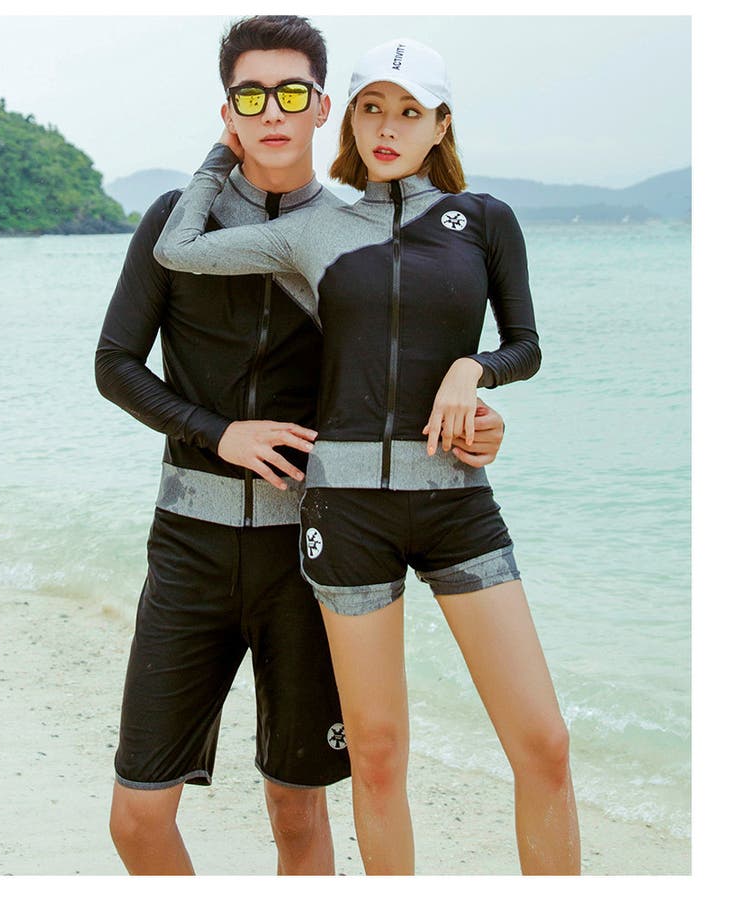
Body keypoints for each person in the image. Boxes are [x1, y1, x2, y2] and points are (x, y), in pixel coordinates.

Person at [153, 37, 580, 875]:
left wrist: (474, 369)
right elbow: (180, 248)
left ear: (440, 125)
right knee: (377, 758)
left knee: (545, 744)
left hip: (457, 502)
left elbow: (525, 344)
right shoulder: (313, 230)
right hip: (346, 516)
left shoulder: (483, 220)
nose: (388, 128)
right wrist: (223, 151)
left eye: (410, 111)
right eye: (373, 108)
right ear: (350, 118)